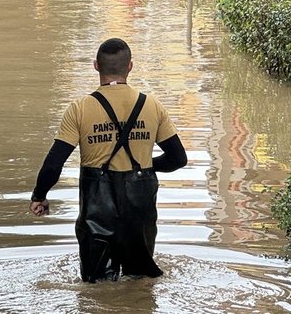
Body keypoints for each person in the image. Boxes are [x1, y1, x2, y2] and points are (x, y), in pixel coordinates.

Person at [30, 38, 188, 283]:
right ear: (130, 67)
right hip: (140, 209)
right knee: (141, 283)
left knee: (97, 286)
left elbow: (54, 164)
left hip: (97, 210)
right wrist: (146, 165)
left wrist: (39, 196)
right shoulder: (152, 106)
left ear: (95, 66)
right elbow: (178, 158)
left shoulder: (80, 109)